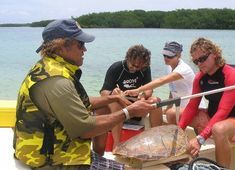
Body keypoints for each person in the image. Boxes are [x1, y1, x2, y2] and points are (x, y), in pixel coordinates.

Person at [13, 19, 156, 170]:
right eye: (80, 44)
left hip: (54, 150)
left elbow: (78, 102)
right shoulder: (56, 81)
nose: (85, 49)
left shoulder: (48, 68)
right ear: (61, 47)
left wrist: (113, 97)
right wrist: (129, 112)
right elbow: (85, 129)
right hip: (53, 160)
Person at [178, 37, 235, 168]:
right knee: (175, 113)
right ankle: (190, 158)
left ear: (215, 54)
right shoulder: (200, 78)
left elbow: (223, 111)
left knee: (218, 129)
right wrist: (178, 132)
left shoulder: (233, 74)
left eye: (202, 59)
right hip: (214, 119)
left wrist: (201, 138)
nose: (200, 64)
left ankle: (221, 168)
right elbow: (191, 107)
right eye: (196, 61)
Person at [125, 41, 204, 124]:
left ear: (179, 56)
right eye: (164, 55)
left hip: (195, 108)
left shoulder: (183, 69)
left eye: (169, 56)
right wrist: (167, 108)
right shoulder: (170, 67)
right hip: (181, 108)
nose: (166, 58)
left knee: (170, 114)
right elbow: (173, 90)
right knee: (168, 112)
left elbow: (161, 81)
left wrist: (138, 90)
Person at [100, 45, 163, 148]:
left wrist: (143, 95)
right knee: (114, 101)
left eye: (139, 67)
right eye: (133, 65)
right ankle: (117, 145)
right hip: (121, 107)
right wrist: (114, 94)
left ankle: (156, 141)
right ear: (127, 58)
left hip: (137, 105)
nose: (135, 68)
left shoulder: (145, 69)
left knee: (156, 101)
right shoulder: (116, 68)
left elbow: (149, 88)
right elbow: (103, 92)